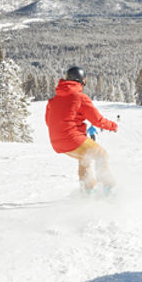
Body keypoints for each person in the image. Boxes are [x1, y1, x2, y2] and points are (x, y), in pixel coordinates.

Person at [45, 66, 118, 194]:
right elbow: (97, 120)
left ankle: (87, 190)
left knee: (85, 158)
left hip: (56, 143)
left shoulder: (53, 101)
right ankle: (109, 189)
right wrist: (112, 126)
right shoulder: (80, 98)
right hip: (72, 139)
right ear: (81, 81)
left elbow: (49, 122)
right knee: (101, 155)